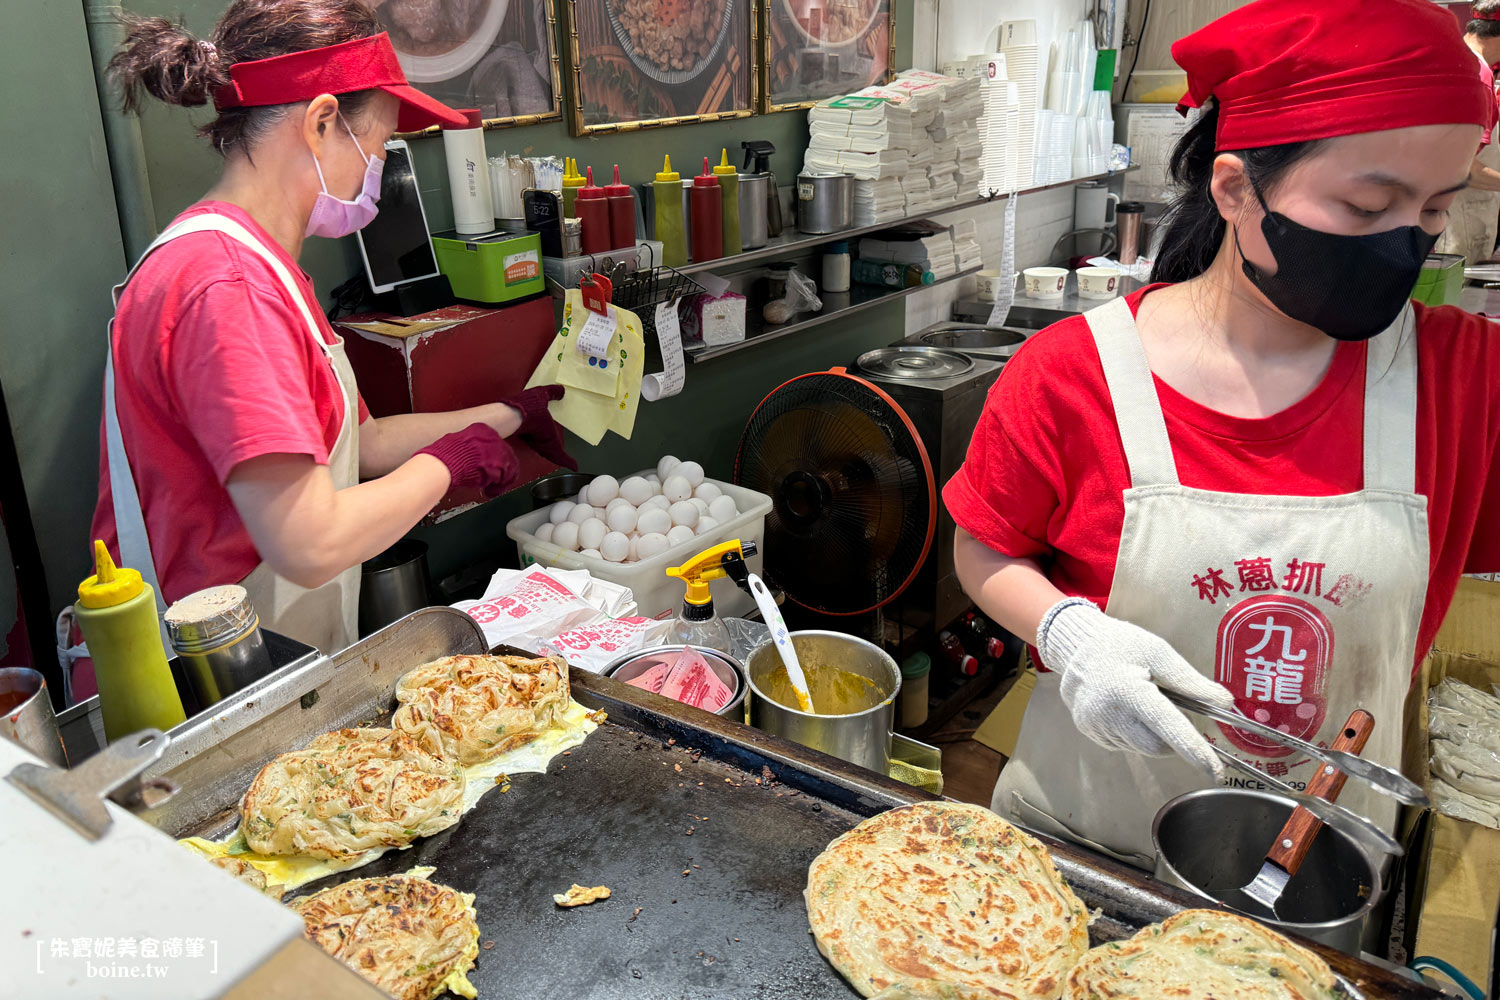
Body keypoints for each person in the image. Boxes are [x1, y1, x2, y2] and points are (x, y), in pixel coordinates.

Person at [947, 0, 1500, 869]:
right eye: (1367, 206)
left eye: (1435, 209)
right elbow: (984, 547)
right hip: (1084, 857)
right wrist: (1066, 631)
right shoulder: (1073, 373)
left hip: (1317, 882)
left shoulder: (1465, 380)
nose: (1405, 244)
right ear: (1237, 188)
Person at [93, 0, 574, 654]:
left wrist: (505, 416)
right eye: (378, 144)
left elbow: (362, 445)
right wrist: (449, 463)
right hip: (210, 675)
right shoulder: (229, 286)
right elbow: (310, 541)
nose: (376, 168)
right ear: (322, 123)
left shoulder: (257, 265)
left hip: (267, 653)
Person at [1435, 2, 1500, 265]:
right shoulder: (1478, 76)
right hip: (1463, 216)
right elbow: (1463, 168)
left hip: (1448, 211)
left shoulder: (1454, 58)